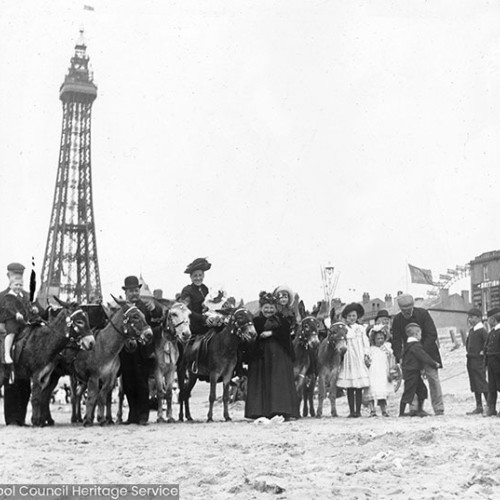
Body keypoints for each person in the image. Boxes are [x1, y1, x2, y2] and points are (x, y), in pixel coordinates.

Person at [245, 291, 299, 421]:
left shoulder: (282, 320)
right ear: (261, 308)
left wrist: (272, 333)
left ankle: (281, 409)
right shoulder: (256, 320)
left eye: (271, 308)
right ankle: (260, 410)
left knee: (278, 381)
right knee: (261, 381)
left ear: (275, 308)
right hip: (261, 356)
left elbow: (285, 335)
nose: (269, 310)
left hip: (278, 356)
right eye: (266, 308)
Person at [119, 275, 162, 425]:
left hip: (142, 350)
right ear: (126, 293)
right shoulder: (122, 308)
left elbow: (157, 316)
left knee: (142, 383)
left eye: (136, 290)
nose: (134, 294)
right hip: (126, 350)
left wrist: (155, 308)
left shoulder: (145, 306)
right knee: (128, 384)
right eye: (131, 291)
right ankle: (132, 415)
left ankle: (143, 415)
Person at [391, 294, 444, 416]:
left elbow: (432, 335)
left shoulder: (423, 314)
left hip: (428, 353)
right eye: (404, 311)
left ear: (413, 306)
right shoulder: (397, 320)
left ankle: (439, 408)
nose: (406, 313)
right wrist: (400, 356)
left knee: (433, 379)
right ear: (400, 309)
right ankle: (414, 409)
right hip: (410, 356)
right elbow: (396, 340)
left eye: (409, 310)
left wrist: (420, 351)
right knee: (412, 382)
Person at [0, 263, 34, 425]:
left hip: (26, 342)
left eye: (20, 277)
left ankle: (20, 418)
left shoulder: (27, 296)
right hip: (8, 334)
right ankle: (12, 419)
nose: (18, 280)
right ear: (8, 277)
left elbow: (37, 310)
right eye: (15, 276)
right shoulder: (3, 296)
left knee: (25, 385)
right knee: (11, 383)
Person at [179, 258, 220, 373]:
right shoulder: (187, 290)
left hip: (208, 323)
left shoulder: (206, 289)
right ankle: (193, 365)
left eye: (200, 275)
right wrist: (202, 318)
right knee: (196, 346)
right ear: (191, 277)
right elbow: (186, 309)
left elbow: (210, 305)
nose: (198, 278)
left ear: (203, 276)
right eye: (195, 276)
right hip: (194, 325)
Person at [399, 323, 440, 417]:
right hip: (412, 372)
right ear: (417, 334)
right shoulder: (416, 346)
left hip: (411, 372)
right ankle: (402, 413)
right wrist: (434, 363)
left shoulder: (407, 345)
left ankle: (419, 410)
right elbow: (423, 356)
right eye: (420, 334)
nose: (421, 336)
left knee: (421, 390)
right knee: (409, 392)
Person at [337, 303, 371, 418]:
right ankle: (352, 411)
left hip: (359, 356)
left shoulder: (361, 328)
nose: (352, 318)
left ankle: (358, 411)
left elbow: (365, 342)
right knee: (350, 386)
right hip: (348, 358)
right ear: (346, 317)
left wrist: (366, 354)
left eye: (354, 315)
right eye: (350, 316)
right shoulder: (344, 328)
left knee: (359, 386)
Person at [366, 325, 394, 417]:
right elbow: (367, 361)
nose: (381, 340)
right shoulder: (370, 349)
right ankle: (372, 410)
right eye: (378, 338)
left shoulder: (386, 347)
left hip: (383, 372)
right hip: (373, 373)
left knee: (382, 391)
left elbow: (390, 358)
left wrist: (391, 370)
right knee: (372, 391)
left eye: (382, 338)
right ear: (374, 339)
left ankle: (383, 410)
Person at [465, 308, 488, 415]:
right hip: (470, 359)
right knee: (474, 383)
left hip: (479, 361)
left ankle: (489, 405)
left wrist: (483, 352)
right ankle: (479, 406)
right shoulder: (471, 331)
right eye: (469, 317)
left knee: (481, 382)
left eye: (472, 317)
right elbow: (467, 343)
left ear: (479, 318)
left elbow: (487, 344)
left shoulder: (482, 331)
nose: (470, 320)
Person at [484, 307, 500, 417]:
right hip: (491, 363)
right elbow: (486, 347)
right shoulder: (491, 333)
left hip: (498, 362)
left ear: (493, 319)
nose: (487, 322)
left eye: (488, 319)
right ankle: (491, 409)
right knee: (492, 387)